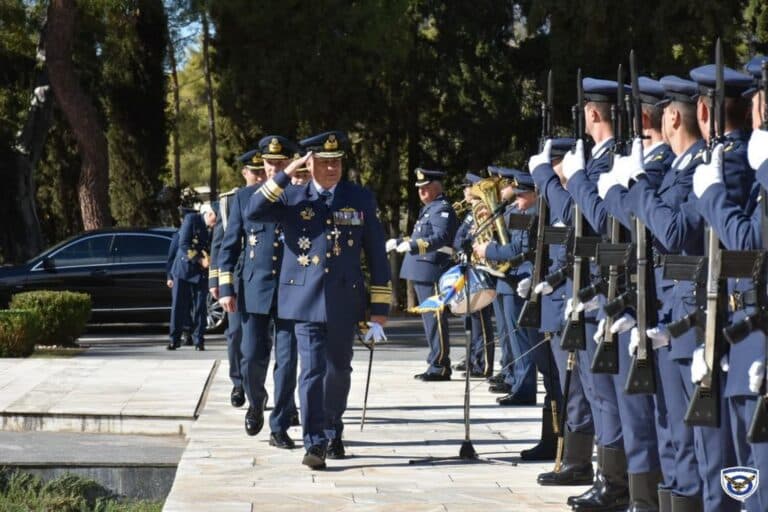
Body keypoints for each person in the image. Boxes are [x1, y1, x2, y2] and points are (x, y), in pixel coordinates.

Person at [246, 130, 391, 470]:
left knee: (338, 369)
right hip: (304, 299)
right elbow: (254, 210)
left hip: (345, 298)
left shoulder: (359, 197)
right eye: (325, 162)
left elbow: (377, 254)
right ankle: (315, 442)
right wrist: (285, 171)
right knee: (311, 370)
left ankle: (332, 428)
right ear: (310, 164)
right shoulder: (292, 196)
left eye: (337, 161)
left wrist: (380, 308)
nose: (332, 168)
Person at [218, 136, 301, 447]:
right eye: (269, 164)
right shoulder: (245, 197)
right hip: (254, 289)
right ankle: (255, 402)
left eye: (280, 164)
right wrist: (226, 287)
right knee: (252, 355)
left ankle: (280, 424)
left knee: (288, 358)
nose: (274, 169)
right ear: (263, 165)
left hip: (292, 290)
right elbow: (229, 246)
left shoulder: (298, 195)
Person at [387, 168, 459, 380]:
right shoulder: (430, 208)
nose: (422, 192)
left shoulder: (442, 209)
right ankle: (435, 362)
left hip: (432, 269)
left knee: (435, 320)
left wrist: (412, 246)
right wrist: (401, 242)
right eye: (419, 188)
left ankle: (440, 365)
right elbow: (423, 235)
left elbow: (440, 237)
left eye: (426, 187)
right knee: (430, 321)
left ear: (438, 187)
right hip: (423, 270)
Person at [209, 150, 266, 408]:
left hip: (264, 278)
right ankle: (238, 383)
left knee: (260, 340)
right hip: (238, 277)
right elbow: (220, 244)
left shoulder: (279, 195)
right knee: (235, 334)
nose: (260, 176)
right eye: (255, 172)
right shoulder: (231, 201)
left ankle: (257, 387)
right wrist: (217, 282)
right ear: (245, 173)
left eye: (262, 171)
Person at [451, 172, 495, 378]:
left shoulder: (483, 209)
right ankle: (473, 358)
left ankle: (483, 362)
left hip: (478, 268)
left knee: (479, 319)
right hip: (468, 267)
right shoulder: (472, 212)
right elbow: (460, 238)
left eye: (467, 187)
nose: (464, 192)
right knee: (470, 318)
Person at [168, 204, 216, 351]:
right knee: (178, 306)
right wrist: (199, 260)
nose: (216, 222)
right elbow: (183, 245)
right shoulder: (192, 219)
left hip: (202, 271)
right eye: (215, 218)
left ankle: (199, 340)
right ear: (209, 214)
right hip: (184, 269)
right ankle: (174, 339)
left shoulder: (215, 228)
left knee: (200, 307)